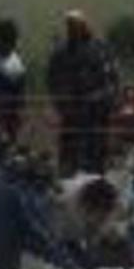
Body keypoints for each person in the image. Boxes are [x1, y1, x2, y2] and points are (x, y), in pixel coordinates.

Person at [47, 10, 118, 176]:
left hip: (97, 114)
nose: (72, 30)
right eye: (69, 26)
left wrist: (101, 99)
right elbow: (52, 80)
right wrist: (62, 103)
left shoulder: (100, 48)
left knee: (96, 159)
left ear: (84, 25)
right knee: (69, 160)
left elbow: (112, 80)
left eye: (75, 25)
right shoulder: (61, 52)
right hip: (72, 115)